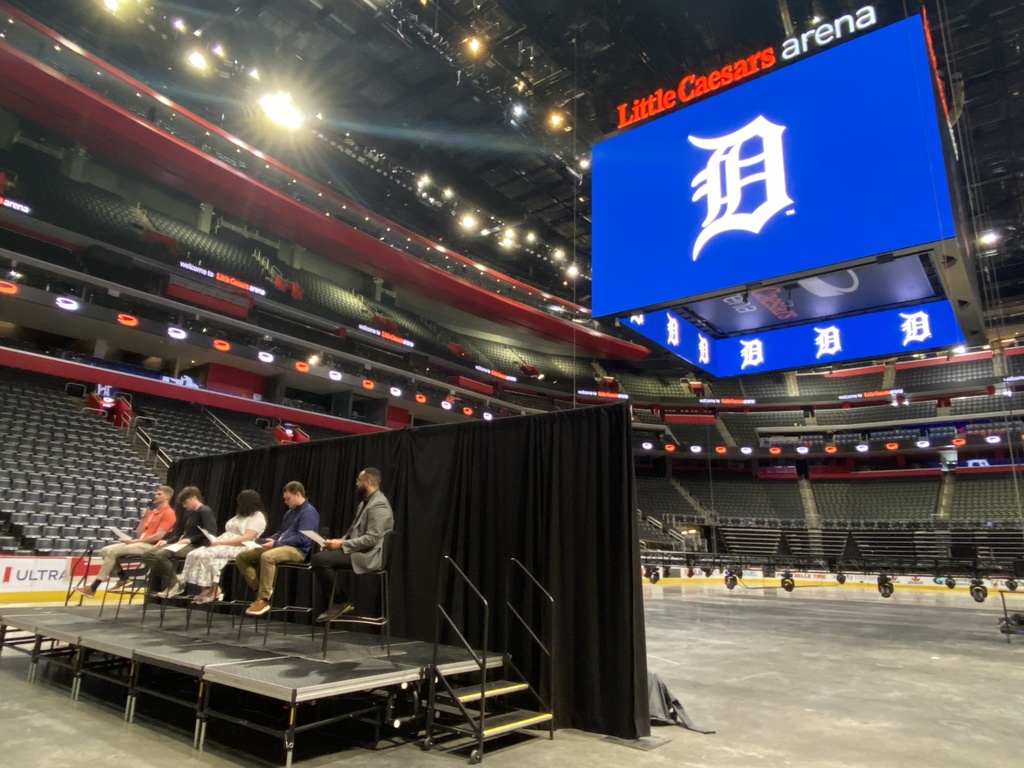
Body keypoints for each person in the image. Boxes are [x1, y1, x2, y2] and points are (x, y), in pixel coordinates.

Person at [312, 468, 394, 622]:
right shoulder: (364, 504)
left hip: (368, 555)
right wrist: (334, 543)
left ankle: (340, 601)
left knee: (320, 560)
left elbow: (371, 539)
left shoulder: (379, 505)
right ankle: (339, 601)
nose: (356, 484)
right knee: (321, 557)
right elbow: (352, 534)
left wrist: (341, 544)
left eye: (358, 480)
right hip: (357, 550)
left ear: (368, 482)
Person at [74, 485, 176, 597]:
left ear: (166, 497)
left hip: (152, 546)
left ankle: (94, 587)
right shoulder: (152, 513)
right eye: (156, 493)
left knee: (112, 552)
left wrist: (136, 541)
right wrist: (143, 517)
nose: (155, 496)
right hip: (140, 542)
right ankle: (123, 577)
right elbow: (139, 532)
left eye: (159, 494)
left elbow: (158, 536)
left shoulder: (169, 513)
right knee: (104, 550)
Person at [235, 481, 319, 616]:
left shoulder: (309, 512)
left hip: (297, 550)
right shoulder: (289, 513)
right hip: (281, 545)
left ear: (297, 494)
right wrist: (270, 539)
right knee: (242, 557)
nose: (286, 502)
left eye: (288, 498)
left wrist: (276, 544)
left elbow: (302, 538)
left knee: (267, 557)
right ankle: (259, 591)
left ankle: (263, 598)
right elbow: (281, 532)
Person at [181, 489, 267, 603]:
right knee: (194, 553)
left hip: (240, 546)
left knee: (206, 554)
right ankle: (206, 588)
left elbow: (246, 538)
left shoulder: (257, 516)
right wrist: (216, 540)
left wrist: (221, 543)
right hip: (224, 542)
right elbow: (228, 532)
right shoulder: (239, 516)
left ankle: (214, 588)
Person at [142, 486, 216, 597]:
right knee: (148, 554)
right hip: (182, 544)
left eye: (186, 502)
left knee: (162, 555)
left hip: (196, 545)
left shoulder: (205, 511)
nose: (184, 506)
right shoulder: (190, 514)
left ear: (193, 498)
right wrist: (167, 541)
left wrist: (191, 539)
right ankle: (176, 580)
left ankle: (174, 584)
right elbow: (180, 535)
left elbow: (211, 532)